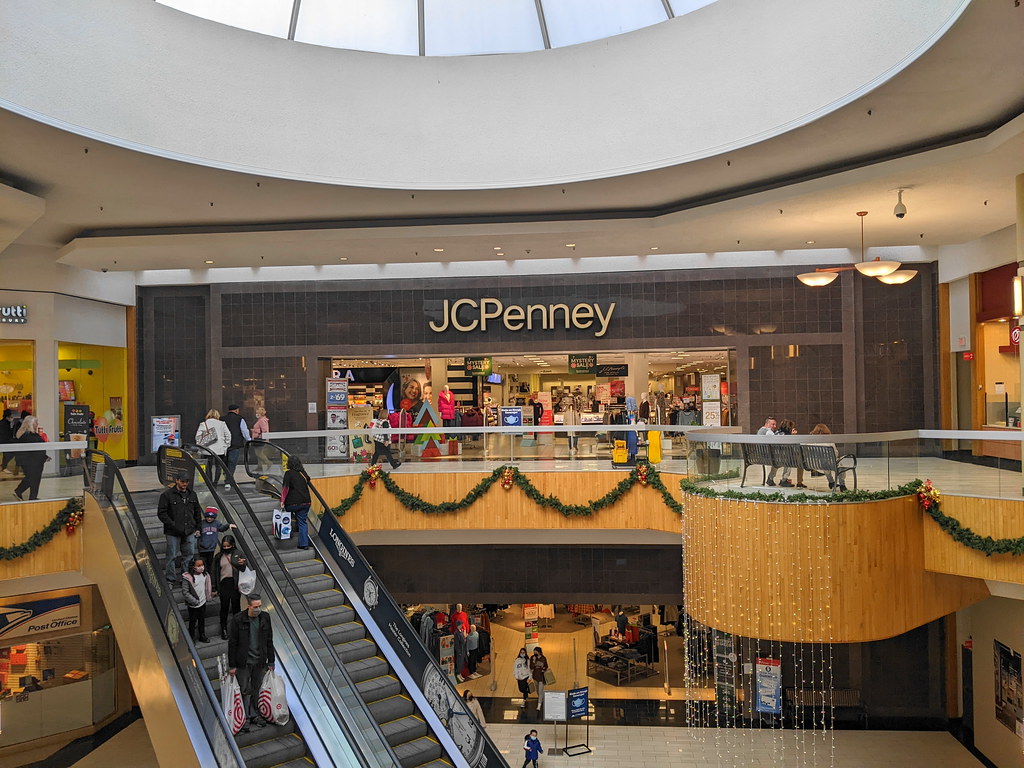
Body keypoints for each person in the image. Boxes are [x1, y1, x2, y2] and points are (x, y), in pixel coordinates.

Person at [227, 593, 275, 731]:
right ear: (248, 606)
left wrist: (271, 661)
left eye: (259, 606)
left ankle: (255, 714)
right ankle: (244, 717)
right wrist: (232, 665)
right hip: (243, 662)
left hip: (260, 661)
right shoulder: (238, 620)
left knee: (256, 688)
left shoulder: (265, 618)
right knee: (243, 689)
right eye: (255, 607)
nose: (258, 609)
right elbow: (233, 643)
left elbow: (269, 640)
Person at [157, 473, 203, 585]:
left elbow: (197, 512)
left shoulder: (192, 494)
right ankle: (170, 579)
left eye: (186, 482)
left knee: (189, 555)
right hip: (173, 531)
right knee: (172, 555)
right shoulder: (167, 495)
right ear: (177, 481)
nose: (184, 484)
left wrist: (198, 527)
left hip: (189, 530)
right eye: (182, 482)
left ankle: (185, 576)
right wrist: (172, 524)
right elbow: (161, 513)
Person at [281, 455, 313, 550]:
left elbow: (285, 489)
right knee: (302, 522)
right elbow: (308, 479)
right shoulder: (302, 473)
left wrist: (282, 501)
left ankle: (288, 532)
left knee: (288, 514)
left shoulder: (288, 474)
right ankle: (304, 544)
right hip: (306, 502)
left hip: (292, 503)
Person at [13, 416, 46, 501]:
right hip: (31, 462)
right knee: (33, 478)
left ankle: (25, 493)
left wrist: (44, 457)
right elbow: (36, 446)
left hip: (35, 461)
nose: (37, 425)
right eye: (36, 423)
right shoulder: (28, 435)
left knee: (31, 478)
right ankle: (30, 496)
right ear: (31, 424)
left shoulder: (31, 435)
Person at [215, 534, 241, 640]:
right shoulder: (218, 557)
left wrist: (242, 564)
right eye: (224, 546)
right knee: (224, 607)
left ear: (232, 545)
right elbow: (214, 572)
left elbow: (244, 568)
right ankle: (224, 628)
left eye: (228, 546)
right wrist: (214, 587)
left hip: (235, 584)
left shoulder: (238, 554)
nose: (226, 548)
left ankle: (237, 628)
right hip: (224, 584)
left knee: (236, 607)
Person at [195, 409, 231, 486]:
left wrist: (199, 447)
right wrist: (226, 445)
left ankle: (209, 483)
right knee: (218, 467)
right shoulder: (222, 423)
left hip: (207, 449)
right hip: (220, 449)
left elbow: (198, 437)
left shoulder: (203, 424)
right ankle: (215, 482)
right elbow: (228, 435)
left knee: (208, 467)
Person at [182, 555, 212, 643]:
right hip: (193, 605)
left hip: (203, 603)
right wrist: (194, 601)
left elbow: (207, 586)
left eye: (202, 565)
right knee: (193, 621)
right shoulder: (188, 578)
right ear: (193, 567)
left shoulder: (205, 575)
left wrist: (208, 595)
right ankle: (191, 637)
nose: (201, 567)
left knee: (202, 620)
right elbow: (185, 592)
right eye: (198, 566)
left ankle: (202, 635)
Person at [197, 507, 235, 575]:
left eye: (211, 517)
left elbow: (222, 528)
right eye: (207, 517)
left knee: (210, 562)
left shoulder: (216, 523)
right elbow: (197, 531)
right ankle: (203, 574)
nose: (209, 518)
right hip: (202, 547)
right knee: (203, 561)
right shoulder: (202, 523)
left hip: (211, 548)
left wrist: (228, 525)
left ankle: (209, 575)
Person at [810, 423, 847, 491]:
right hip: (829, 464)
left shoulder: (810, 442)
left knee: (824, 462)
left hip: (815, 465)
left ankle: (831, 482)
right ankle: (842, 485)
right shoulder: (829, 441)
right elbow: (836, 454)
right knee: (839, 465)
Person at [221, 405, 251, 489]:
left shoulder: (222, 418)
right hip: (235, 444)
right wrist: (248, 440)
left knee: (225, 463)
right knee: (232, 463)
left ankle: (228, 478)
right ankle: (228, 481)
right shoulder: (240, 419)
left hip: (224, 445)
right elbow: (244, 431)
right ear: (237, 410)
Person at [778, 419, 807, 488]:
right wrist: (793, 437)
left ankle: (784, 479)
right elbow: (795, 447)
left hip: (776, 458)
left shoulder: (777, 433)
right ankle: (799, 482)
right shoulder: (787, 437)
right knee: (800, 463)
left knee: (797, 460)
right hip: (785, 458)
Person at [0, 408, 17, 474]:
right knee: (8, 454)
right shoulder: (5, 424)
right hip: (5, 441)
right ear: (7, 417)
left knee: (6, 454)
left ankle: (3, 466)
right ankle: (3, 466)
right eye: (11, 417)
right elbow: (7, 434)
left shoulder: (3, 423)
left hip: (4, 441)